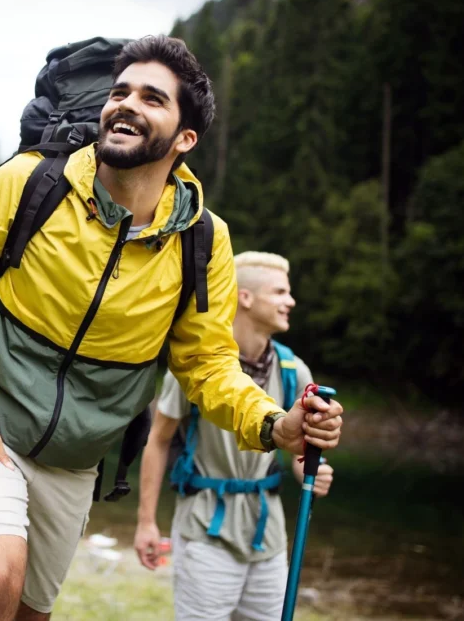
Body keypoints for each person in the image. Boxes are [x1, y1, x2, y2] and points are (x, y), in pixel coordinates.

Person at [0, 34, 344, 621]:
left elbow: (208, 365)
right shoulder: (28, 182)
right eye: (120, 91)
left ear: (185, 139)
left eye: (152, 97)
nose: (126, 104)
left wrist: (274, 424)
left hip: (74, 460)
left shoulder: (202, 240)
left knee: (28, 613)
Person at [134, 250, 336, 620]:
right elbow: (158, 438)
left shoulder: (294, 370)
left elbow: (299, 451)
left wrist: (307, 469)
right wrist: (147, 521)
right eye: (279, 292)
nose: (290, 301)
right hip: (205, 528)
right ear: (245, 297)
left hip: (268, 535)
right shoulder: (198, 367)